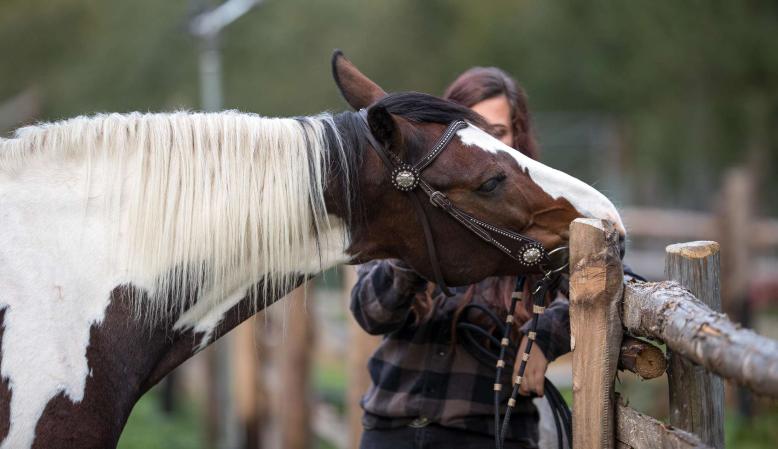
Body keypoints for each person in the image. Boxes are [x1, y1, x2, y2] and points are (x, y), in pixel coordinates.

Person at [350, 67, 571, 449]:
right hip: (391, 426)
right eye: (472, 131)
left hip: (487, 433)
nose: (484, 144)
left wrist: (544, 337)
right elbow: (371, 315)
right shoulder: (415, 203)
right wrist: (413, 251)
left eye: (497, 132)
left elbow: (609, 275)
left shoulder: (543, 211)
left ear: (518, 135)